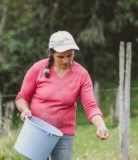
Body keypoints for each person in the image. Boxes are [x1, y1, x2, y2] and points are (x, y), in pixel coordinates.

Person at [15, 31, 109, 160]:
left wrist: (101, 125)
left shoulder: (81, 74)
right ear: (52, 54)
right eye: (60, 56)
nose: (65, 60)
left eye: (69, 55)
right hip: (37, 132)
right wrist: (25, 110)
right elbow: (22, 98)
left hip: (63, 134)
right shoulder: (38, 69)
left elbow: (90, 106)